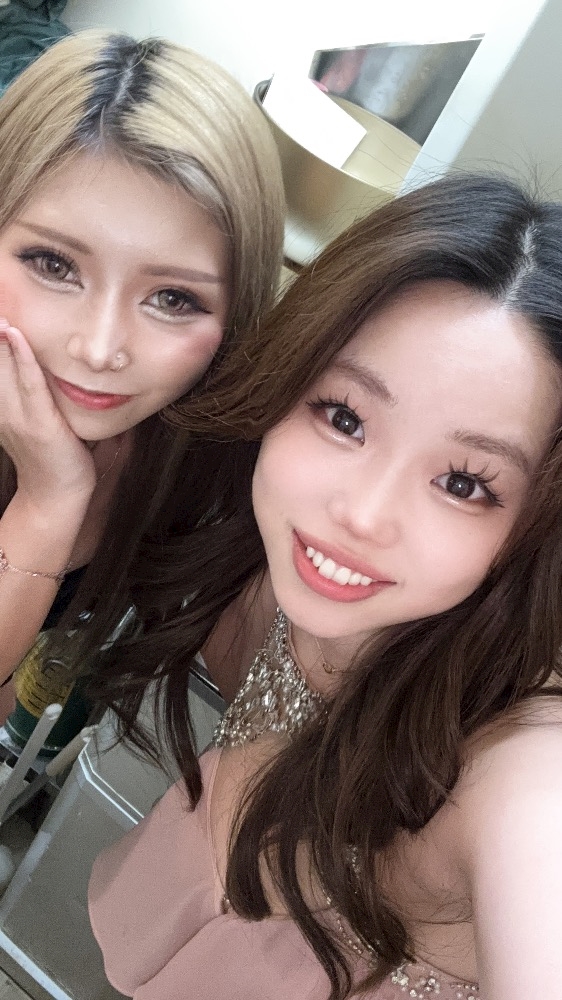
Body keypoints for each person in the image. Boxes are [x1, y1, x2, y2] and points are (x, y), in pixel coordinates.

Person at [89, 173, 562, 1000]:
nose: (361, 515)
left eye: (462, 482)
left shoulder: (515, 770)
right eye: (344, 417)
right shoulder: (259, 571)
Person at [0, 29, 285, 726]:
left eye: (173, 299)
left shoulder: (211, 458)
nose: (100, 350)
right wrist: (48, 504)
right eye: (54, 265)